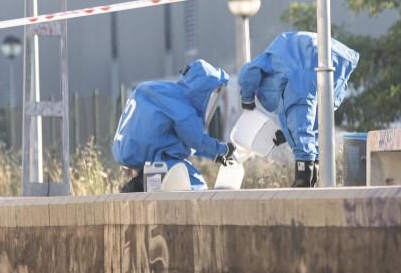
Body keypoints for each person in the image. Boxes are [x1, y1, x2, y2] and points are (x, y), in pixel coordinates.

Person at [238, 31, 359, 188]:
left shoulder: (267, 61)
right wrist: (287, 135)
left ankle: (304, 178)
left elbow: (249, 72)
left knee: (301, 124)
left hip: (304, 66)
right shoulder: (279, 62)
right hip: (337, 63)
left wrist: (247, 100)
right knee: (317, 125)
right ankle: (312, 176)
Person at [112, 59, 237, 192]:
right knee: (195, 186)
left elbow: (183, 141)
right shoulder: (184, 107)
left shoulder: (164, 92)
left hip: (141, 158)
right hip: (163, 160)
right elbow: (196, 140)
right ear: (203, 90)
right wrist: (224, 149)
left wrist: (214, 155)